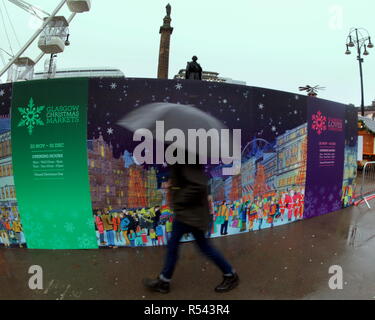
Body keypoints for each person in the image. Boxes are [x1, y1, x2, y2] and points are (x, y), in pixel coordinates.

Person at [143, 163, 239, 294]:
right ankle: (164, 281)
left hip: (191, 215)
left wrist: (177, 193)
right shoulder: (184, 161)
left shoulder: (188, 160)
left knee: (202, 247)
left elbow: (197, 187)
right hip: (187, 215)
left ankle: (230, 275)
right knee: (177, 246)